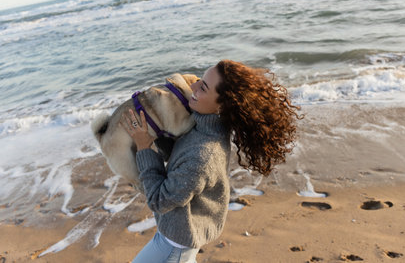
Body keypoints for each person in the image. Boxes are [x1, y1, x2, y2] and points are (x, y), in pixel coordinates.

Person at [121, 59, 300, 263]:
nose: (193, 86)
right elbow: (178, 160)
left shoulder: (204, 154)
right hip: (175, 238)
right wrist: (155, 133)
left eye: (203, 87)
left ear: (222, 106)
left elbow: (159, 200)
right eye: (199, 80)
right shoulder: (203, 127)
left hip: (174, 247)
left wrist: (144, 148)